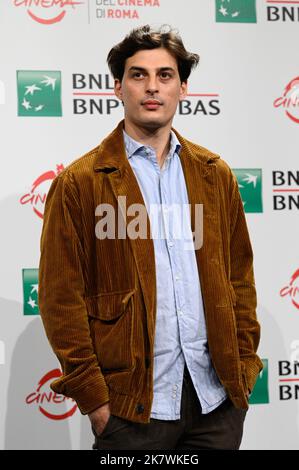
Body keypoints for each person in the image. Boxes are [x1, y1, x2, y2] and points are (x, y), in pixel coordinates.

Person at [39, 25, 263, 450]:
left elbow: (240, 280)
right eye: (138, 75)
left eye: (165, 75)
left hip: (215, 402)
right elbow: (60, 299)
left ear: (183, 88)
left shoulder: (214, 175)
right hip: (129, 410)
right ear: (118, 88)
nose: (152, 87)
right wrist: (96, 403)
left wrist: (244, 366)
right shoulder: (80, 183)